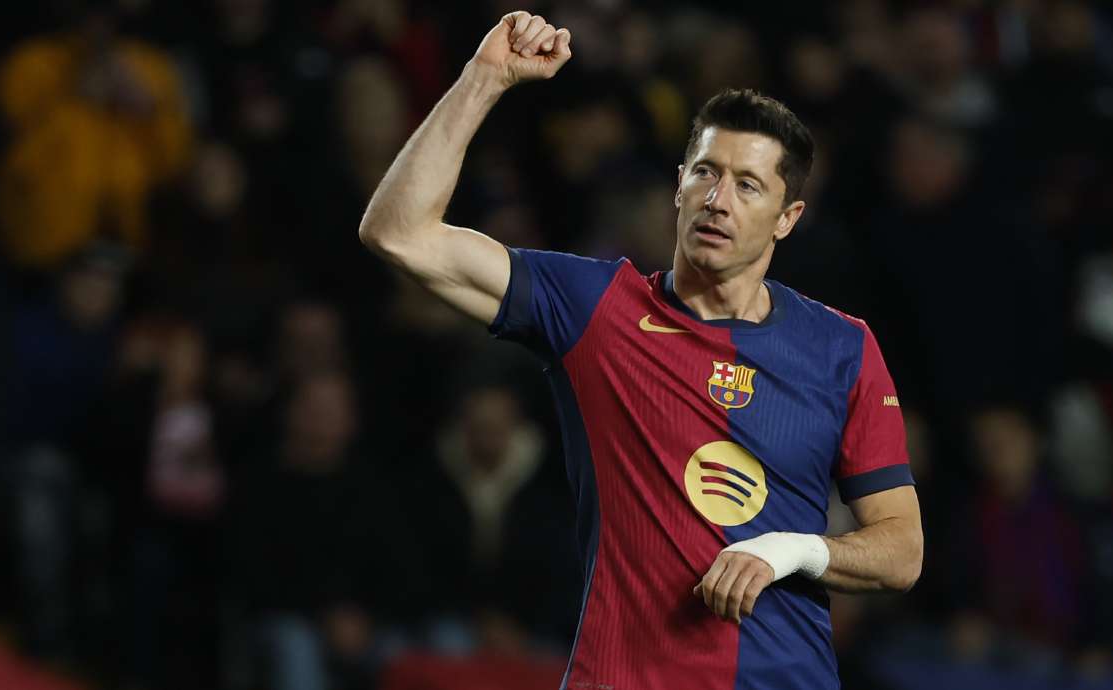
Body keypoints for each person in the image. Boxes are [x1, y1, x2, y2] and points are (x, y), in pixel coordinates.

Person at [359, 11, 923, 689]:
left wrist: (791, 551)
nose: (718, 200)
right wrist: (484, 79)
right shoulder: (594, 307)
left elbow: (901, 552)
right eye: (705, 174)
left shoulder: (842, 347)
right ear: (677, 184)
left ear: (787, 218)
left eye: (748, 185)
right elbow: (398, 232)